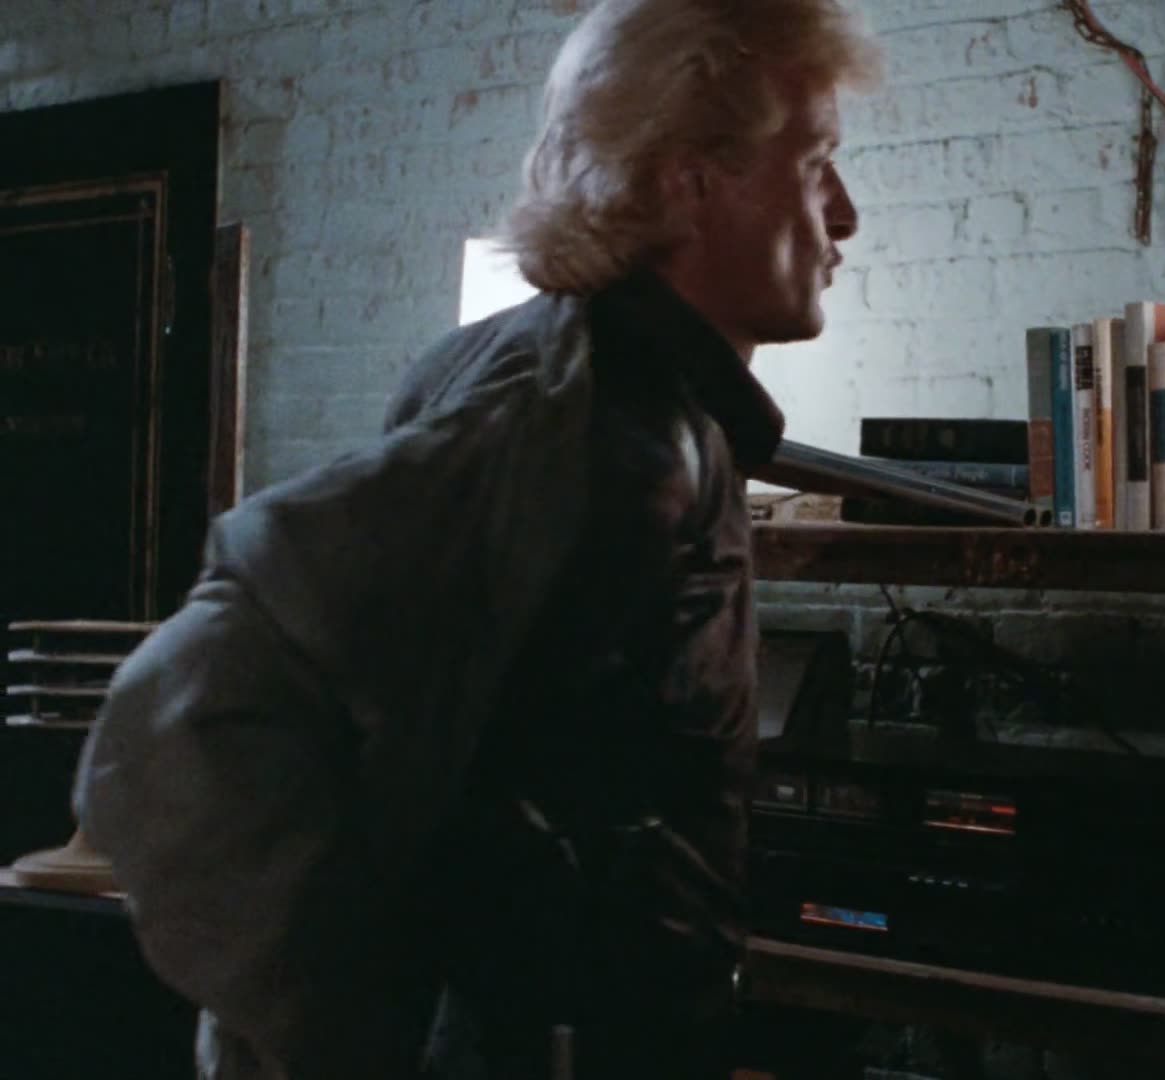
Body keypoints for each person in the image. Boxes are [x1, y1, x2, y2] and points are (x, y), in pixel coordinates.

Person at [72, 1, 880, 1077]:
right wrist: (340, 1032)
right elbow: (186, 707)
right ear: (691, 179)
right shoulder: (593, 432)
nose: (844, 214)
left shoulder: (626, 406)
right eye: (815, 162)